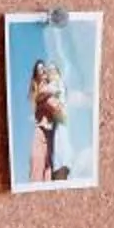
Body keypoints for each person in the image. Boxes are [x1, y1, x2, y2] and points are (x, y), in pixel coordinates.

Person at [24, 55, 71, 184]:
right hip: (41, 133)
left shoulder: (50, 86)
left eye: (44, 68)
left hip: (50, 134)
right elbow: (53, 104)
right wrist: (57, 89)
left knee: (48, 172)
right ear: (36, 75)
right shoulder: (42, 90)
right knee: (38, 171)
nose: (43, 71)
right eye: (40, 70)